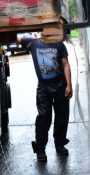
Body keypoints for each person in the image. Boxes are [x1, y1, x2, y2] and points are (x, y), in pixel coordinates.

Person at [18, 33, 72, 162]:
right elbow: (13, 36)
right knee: (43, 117)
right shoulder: (33, 43)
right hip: (43, 87)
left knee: (62, 115)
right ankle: (40, 148)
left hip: (60, 84)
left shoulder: (59, 44)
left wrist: (69, 85)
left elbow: (66, 65)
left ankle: (60, 144)